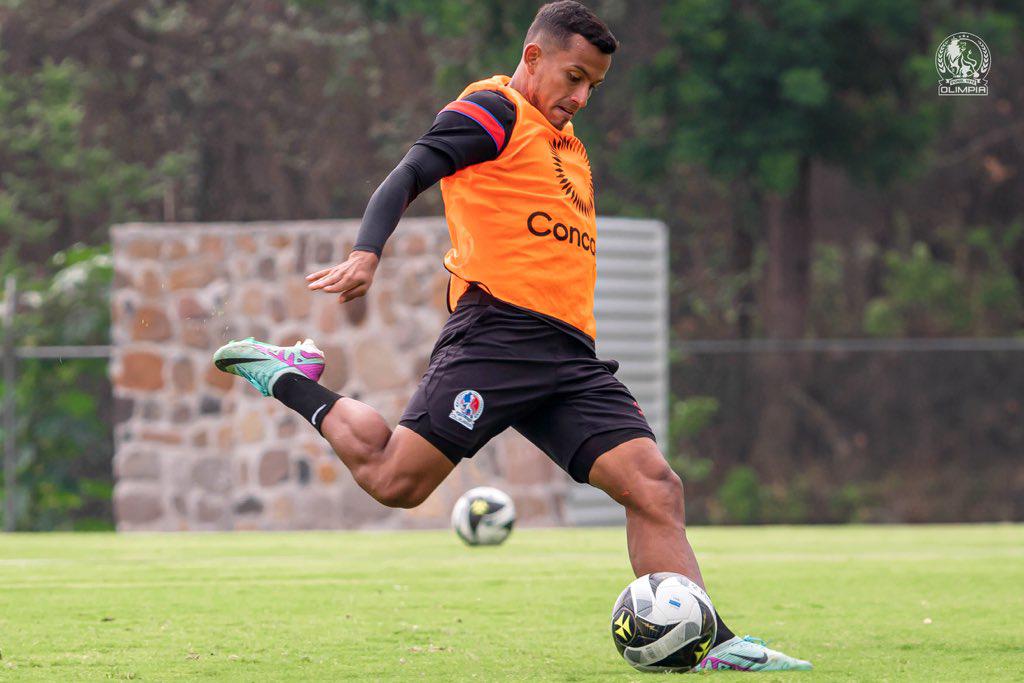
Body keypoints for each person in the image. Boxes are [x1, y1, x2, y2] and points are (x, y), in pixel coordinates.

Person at [213, 1, 810, 672]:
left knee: (655, 487)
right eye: (573, 77)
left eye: (594, 87)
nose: (581, 97)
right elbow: (409, 172)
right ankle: (290, 375)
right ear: (533, 58)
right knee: (393, 479)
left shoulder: (570, 149)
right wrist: (367, 252)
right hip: (496, 337)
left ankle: (711, 646)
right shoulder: (493, 110)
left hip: (568, 356)